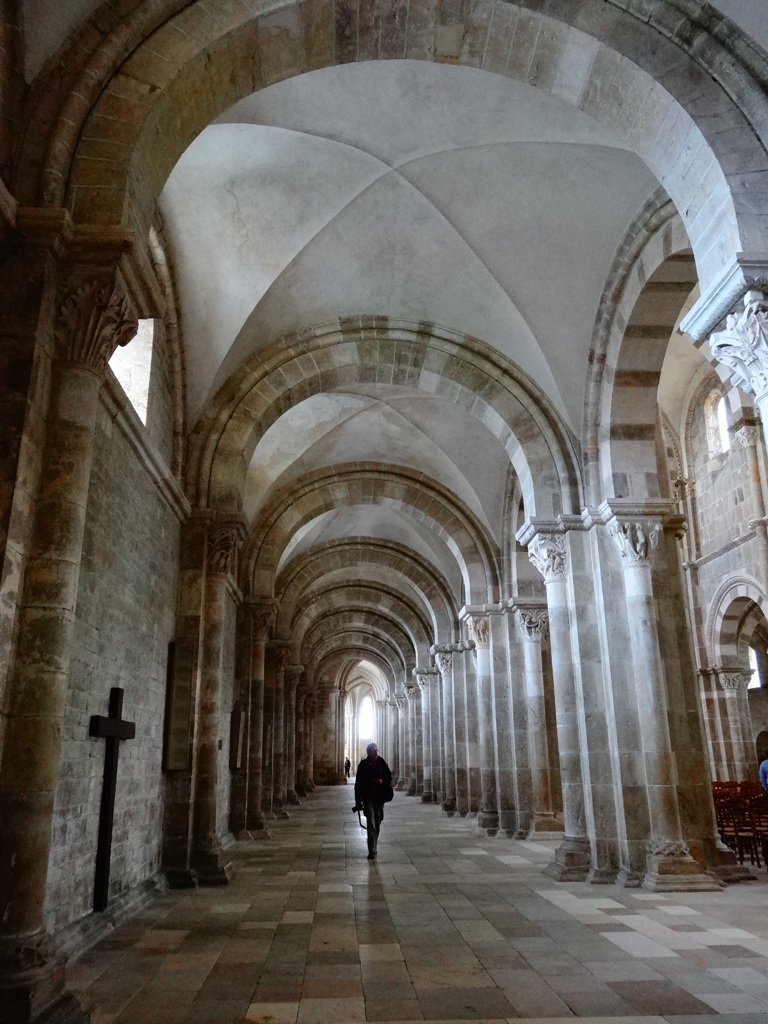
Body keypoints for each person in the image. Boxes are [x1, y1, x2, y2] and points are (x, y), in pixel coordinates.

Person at [354, 743, 392, 860]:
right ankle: (372, 850)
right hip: (368, 797)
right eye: (374, 750)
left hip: (380, 797)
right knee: (371, 823)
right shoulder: (363, 765)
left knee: (378, 821)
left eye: (377, 750)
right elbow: (358, 784)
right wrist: (358, 802)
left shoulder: (382, 762)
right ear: (368, 752)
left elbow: (388, 777)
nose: (376, 752)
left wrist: (382, 781)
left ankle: (374, 842)